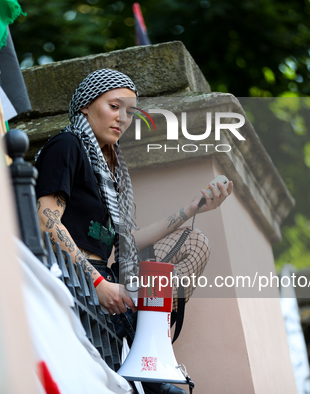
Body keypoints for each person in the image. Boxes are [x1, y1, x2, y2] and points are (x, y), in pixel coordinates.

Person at [35, 69, 232, 394]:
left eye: (129, 112)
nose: (122, 119)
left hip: (106, 273)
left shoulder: (111, 170)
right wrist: (98, 283)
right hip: (76, 276)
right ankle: (149, 360)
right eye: (114, 106)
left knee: (194, 243)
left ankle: (151, 346)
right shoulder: (67, 145)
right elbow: (47, 221)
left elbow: (128, 241)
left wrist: (193, 208)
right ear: (86, 105)